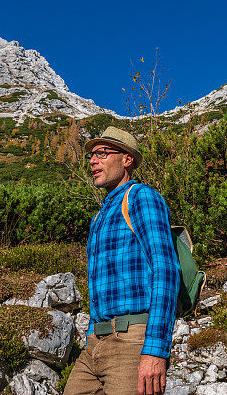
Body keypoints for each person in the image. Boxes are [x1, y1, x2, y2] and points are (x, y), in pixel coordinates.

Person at [64, 127, 180, 395]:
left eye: (102, 153)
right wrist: (92, 334)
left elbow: (166, 269)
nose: (93, 161)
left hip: (132, 341)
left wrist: (155, 350)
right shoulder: (99, 216)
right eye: (91, 155)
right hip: (95, 342)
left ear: (127, 159)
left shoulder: (141, 197)